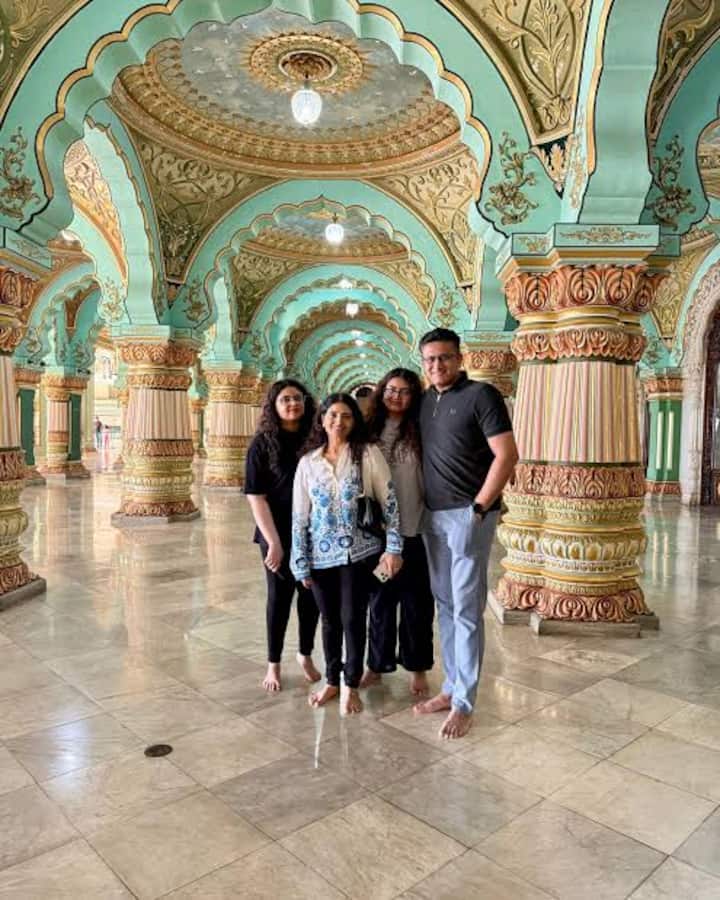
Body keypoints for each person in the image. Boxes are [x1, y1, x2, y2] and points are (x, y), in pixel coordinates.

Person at [415, 328, 518, 739]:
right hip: (432, 517)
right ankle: (450, 687)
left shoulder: (481, 396)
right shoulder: (425, 402)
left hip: (468, 514)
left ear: (460, 359)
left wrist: (479, 507)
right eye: (430, 359)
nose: (437, 365)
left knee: (467, 609)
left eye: (444, 357)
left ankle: (465, 703)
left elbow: (506, 455)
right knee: (445, 605)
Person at [291, 393, 403, 715]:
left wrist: (394, 548)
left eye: (346, 416)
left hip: (359, 555)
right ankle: (332, 680)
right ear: (322, 419)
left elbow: (389, 502)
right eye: (333, 415)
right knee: (329, 621)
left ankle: (350, 683)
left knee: (353, 619)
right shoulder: (308, 462)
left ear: (354, 421)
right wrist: (300, 561)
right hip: (320, 558)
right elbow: (300, 516)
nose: (338, 421)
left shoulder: (366, 454)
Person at [360, 368, 434, 696]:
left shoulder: (422, 429)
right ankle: (376, 665)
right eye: (391, 390)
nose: (396, 397)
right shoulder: (368, 430)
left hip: (415, 530)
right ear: (381, 391)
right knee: (380, 602)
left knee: (417, 603)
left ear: (414, 396)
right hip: (378, 534)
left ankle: (417, 668)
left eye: (405, 392)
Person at [245, 379, 321, 692]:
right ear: (274, 406)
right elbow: (256, 497)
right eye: (285, 399)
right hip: (275, 531)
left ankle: (305, 654)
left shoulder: (316, 439)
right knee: (279, 597)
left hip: (313, 531)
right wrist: (274, 542)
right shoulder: (261, 444)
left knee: (310, 595)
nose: (293, 404)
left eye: (297, 398)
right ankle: (273, 664)